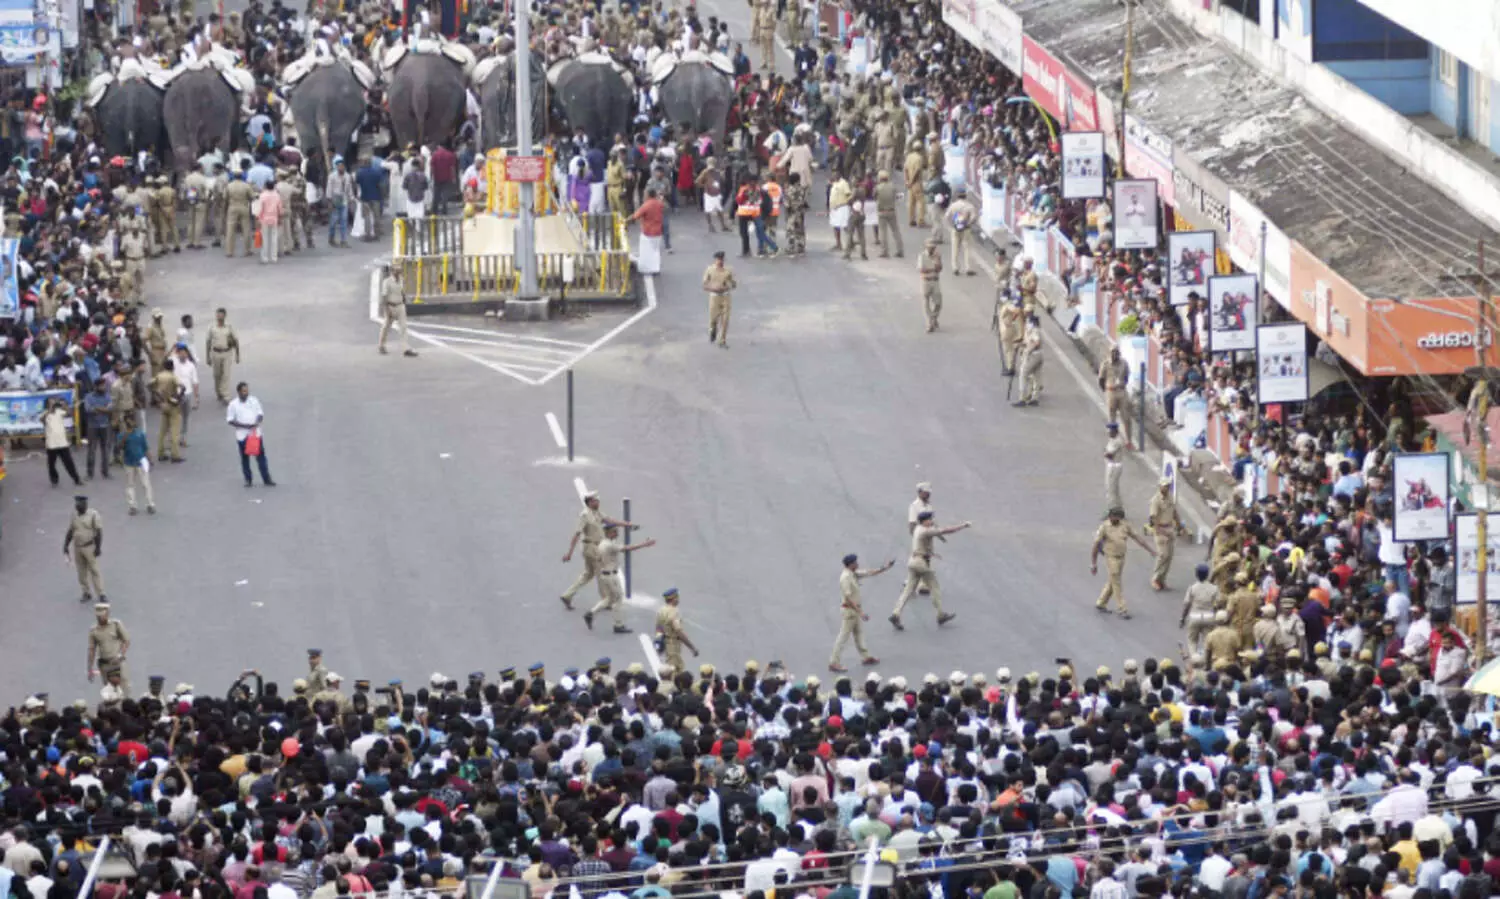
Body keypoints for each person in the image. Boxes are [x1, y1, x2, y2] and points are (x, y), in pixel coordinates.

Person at [890, 511, 971, 630]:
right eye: (929, 519)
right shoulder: (925, 530)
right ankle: (940, 615)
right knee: (934, 587)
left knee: (908, 590)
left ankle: (896, 613)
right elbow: (946, 530)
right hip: (921, 563)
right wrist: (963, 525)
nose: (931, 521)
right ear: (924, 521)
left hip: (913, 561)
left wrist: (931, 553)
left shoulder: (918, 529)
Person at [561, 491, 634, 608]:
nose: (598, 503)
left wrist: (625, 524)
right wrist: (569, 553)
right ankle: (606, 600)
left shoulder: (597, 513)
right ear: (590, 502)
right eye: (596, 501)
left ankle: (568, 595)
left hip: (594, 547)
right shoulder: (585, 515)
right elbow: (577, 534)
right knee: (601, 573)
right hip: (591, 547)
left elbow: (609, 520)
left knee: (588, 574)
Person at [583, 523, 657, 633]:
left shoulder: (602, 544)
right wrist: (644, 544)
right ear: (609, 533)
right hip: (611, 576)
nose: (617, 533)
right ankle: (618, 625)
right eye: (615, 531)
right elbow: (627, 548)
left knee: (609, 598)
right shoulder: (609, 545)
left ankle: (591, 613)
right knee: (618, 599)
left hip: (605, 574)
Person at [830, 553, 892, 672]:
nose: (857, 564)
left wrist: (885, 567)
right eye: (855, 562)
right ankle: (834, 662)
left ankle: (866, 656)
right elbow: (848, 598)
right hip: (850, 611)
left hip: (854, 611)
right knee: (843, 637)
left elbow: (869, 572)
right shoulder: (845, 578)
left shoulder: (853, 573)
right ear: (851, 564)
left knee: (858, 634)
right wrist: (861, 612)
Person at [1090, 507, 1156, 619]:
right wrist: (1093, 563)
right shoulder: (1104, 527)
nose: (1112, 518)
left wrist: (1151, 550)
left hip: (1121, 557)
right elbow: (1096, 545)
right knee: (1117, 583)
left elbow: (1138, 538)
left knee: (1112, 581)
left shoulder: (1125, 526)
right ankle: (1122, 608)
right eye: (1111, 516)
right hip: (1111, 557)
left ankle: (1101, 603)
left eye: (1115, 516)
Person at [227, 382, 275, 487]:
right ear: (239, 392)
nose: (246, 393)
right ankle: (248, 479)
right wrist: (245, 426)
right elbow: (230, 420)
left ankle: (266, 478)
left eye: (247, 390)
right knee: (245, 458)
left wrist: (257, 422)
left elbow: (260, 413)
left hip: (255, 434)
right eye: (244, 391)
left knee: (261, 456)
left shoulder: (254, 400)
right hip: (242, 435)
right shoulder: (233, 404)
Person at [63, 494, 106, 603]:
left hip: (89, 546)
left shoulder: (93, 515)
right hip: (77, 548)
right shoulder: (74, 515)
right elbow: (71, 531)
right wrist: (66, 545)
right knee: (81, 572)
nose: (77, 506)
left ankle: (101, 593)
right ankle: (86, 592)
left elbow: (99, 532)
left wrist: (98, 548)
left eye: (80, 504)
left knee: (94, 570)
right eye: (76, 504)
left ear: (85, 504)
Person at [87, 603, 130, 693]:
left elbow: (126, 641)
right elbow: (91, 650)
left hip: (118, 662)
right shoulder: (94, 630)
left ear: (107, 614)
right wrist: (90, 668)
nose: (100, 618)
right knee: (109, 690)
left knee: (124, 687)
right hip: (104, 664)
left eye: (102, 615)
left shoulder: (116, 625)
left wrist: (121, 654)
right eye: (98, 616)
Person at [655, 587, 699, 674]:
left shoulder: (661, 610)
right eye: (677, 597)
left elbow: (658, 628)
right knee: (674, 671)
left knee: (676, 667)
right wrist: (692, 647)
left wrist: (659, 644)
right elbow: (678, 631)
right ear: (674, 598)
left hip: (665, 642)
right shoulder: (674, 612)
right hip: (673, 645)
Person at [1147, 479, 1181, 590]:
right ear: (1160, 486)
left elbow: (1174, 511)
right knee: (1163, 555)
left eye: (1167, 486)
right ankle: (1155, 578)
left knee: (1169, 556)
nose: (1166, 488)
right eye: (1164, 486)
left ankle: (1162, 580)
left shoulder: (1170, 497)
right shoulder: (1156, 500)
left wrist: (1179, 524)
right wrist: (1159, 530)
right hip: (1161, 529)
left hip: (1170, 527)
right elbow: (1153, 518)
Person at [378, 263, 418, 357]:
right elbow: (384, 296)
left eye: (399, 270)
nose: (398, 272)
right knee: (386, 326)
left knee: (403, 327)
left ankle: (405, 348)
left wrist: (404, 300)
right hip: (391, 306)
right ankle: (381, 345)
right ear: (392, 271)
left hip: (400, 305)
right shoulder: (387, 282)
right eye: (397, 270)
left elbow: (402, 291)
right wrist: (386, 310)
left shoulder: (401, 279)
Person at [1180, 563, 1220, 655]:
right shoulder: (1214, 588)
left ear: (1196, 574)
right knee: (1207, 641)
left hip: (1195, 616)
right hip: (1209, 616)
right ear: (1207, 574)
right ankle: (1206, 659)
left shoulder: (1192, 588)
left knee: (1192, 641)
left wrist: (1182, 618)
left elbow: (1186, 604)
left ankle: (1194, 658)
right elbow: (1218, 604)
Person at [120, 412, 154, 515]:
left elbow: (146, 448)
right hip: (128, 462)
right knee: (130, 485)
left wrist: (150, 459)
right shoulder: (122, 435)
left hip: (141, 462)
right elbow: (120, 447)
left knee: (145, 484)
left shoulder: (140, 434)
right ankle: (132, 506)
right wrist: (126, 435)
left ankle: (150, 504)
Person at [1098, 347, 1133, 449]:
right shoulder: (1105, 364)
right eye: (1112, 352)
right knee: (1111, 417)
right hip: (1111, 391)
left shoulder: (1124, 363)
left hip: (1121, 391)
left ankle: (1128, 441)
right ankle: (1113, 440)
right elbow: (1101, 379)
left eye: (1116, 352)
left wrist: (1122, 384)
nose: (1114, 354)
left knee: (1126, 417)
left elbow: (1126, 377)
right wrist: (1106, 390)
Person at [205, 308, 241, 404]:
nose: (219, 317)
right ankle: (219, 392)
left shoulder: (229, 327)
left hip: (227, 353)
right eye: (218, 315)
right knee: (217, 375)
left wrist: (237, 355)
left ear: (225, 316)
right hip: (215, 353)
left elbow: (236, 340)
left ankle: (226, 395)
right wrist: (207, 357)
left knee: (226, 374)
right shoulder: (212, 327)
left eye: (221, 315)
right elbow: (208, 342)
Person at [151, 358, 184, 463]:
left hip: (163, 404)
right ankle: (175, 455)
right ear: (173, 367)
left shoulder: (159, 376)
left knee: (162, 431)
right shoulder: (172, 376)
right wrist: (178, 398)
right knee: (175, 431)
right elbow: (182, 386)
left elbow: (149, 385)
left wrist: (157, 397)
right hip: (172, 405)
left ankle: (160, 453)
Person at [44, 397, 82, 487]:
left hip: (62, 443)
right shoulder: (44, 413)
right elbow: (42, 419)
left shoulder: (59, 411)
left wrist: (68, 406)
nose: (53, 404)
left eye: (54, 402)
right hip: (51, 444)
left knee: (69, 462)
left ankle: (77, 479)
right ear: (47, 404)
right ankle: (54, 480)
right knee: (51, 464)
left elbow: (68, 413)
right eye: (51, 403)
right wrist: (50, 409)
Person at [703, 250, 737, 349]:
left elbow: (734, 284)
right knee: (713, 319)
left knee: (725, 319)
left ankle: (722, 340)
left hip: (726, 297)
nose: (720, 261)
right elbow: (705, 285)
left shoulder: (728, 271)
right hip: (714, 297)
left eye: (722, 259)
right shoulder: (710, 270)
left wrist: (727, 286)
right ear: (715, 260)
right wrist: (713, 288)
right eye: (718, 259)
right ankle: (712, 330)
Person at [627, 187, 665, 275]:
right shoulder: (659, 203)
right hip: (658, 232)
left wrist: (625, 220)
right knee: (656, 251)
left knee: (646, 251)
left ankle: (646, 268)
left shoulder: (646, 205)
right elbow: (663, 206)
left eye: (645, 194)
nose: (644, 195)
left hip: (648, 232)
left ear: (648, 195)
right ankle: (656, 268)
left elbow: (635, 216)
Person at [81, 379, 113, 480]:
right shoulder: (89, 396)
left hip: (105, 425)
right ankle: (90, 474)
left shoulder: (107, 396)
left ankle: (105, 472)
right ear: (96, 387)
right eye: (101, 386)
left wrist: (97, 408)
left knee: (106, 450)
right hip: (92, 426)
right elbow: (88, 409)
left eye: (104, 385)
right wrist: (103, 409)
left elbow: (110, 409)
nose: (104, 387)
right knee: (91, 450)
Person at [1013, 315, 1044, 406]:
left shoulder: (1034, 330)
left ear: (1032, 323)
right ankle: (1035, 398)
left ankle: (1022, 398)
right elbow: (1028, 341)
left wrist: (1028, 350)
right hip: (1039, 355)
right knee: (1036, 376)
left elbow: (1036, 342)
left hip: (1033, 355)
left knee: (1023, 374)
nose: (1026, 324)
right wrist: (1020, 344)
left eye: (1028, 322)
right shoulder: (1032, 331)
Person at [947, 187, 977, 275]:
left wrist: (952, 224)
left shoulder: (953, 205)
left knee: (955, 248)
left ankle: (955, 267)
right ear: (965, 196)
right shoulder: (969, 206)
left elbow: (947, 216)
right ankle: (968, 268)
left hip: (955, 228)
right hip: (966, 229)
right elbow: (973, 217)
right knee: (967, 248)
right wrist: (968, 223)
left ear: (957, 196)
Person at [325, 157, 353, 247]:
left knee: (344, 221)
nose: (341, 168)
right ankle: (331, 238)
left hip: (344, 200)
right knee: (333, 221)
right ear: (336, 167)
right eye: (339, 166)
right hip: (335, 199)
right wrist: (329, 201)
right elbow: (329, 189)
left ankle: (343, 241)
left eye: (342, 166)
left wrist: (351, 198)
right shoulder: (332, 176)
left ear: (344, 167)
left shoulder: (348, 176)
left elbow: (349, 188)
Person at [874, 171, 903, 258]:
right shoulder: (893, 186)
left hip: (882, 211)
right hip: (891, 211)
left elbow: (874, 196)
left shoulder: (877, 188)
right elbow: (899, 197)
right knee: (896, 231)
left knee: (883, 232)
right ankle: (900, 250)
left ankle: (884, 251)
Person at [918, 237, 942, 332]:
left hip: (935, 280)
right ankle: (930, 322)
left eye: (933, 247)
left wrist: (937, 262)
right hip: (926, 281)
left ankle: (933, 318)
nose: (932, 249)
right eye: (930, 247)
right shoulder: (922, 256)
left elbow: (939, 269)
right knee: (926, 302)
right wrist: (933, 268)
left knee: (938, 303)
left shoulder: (937, 256)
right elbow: (922, 269)